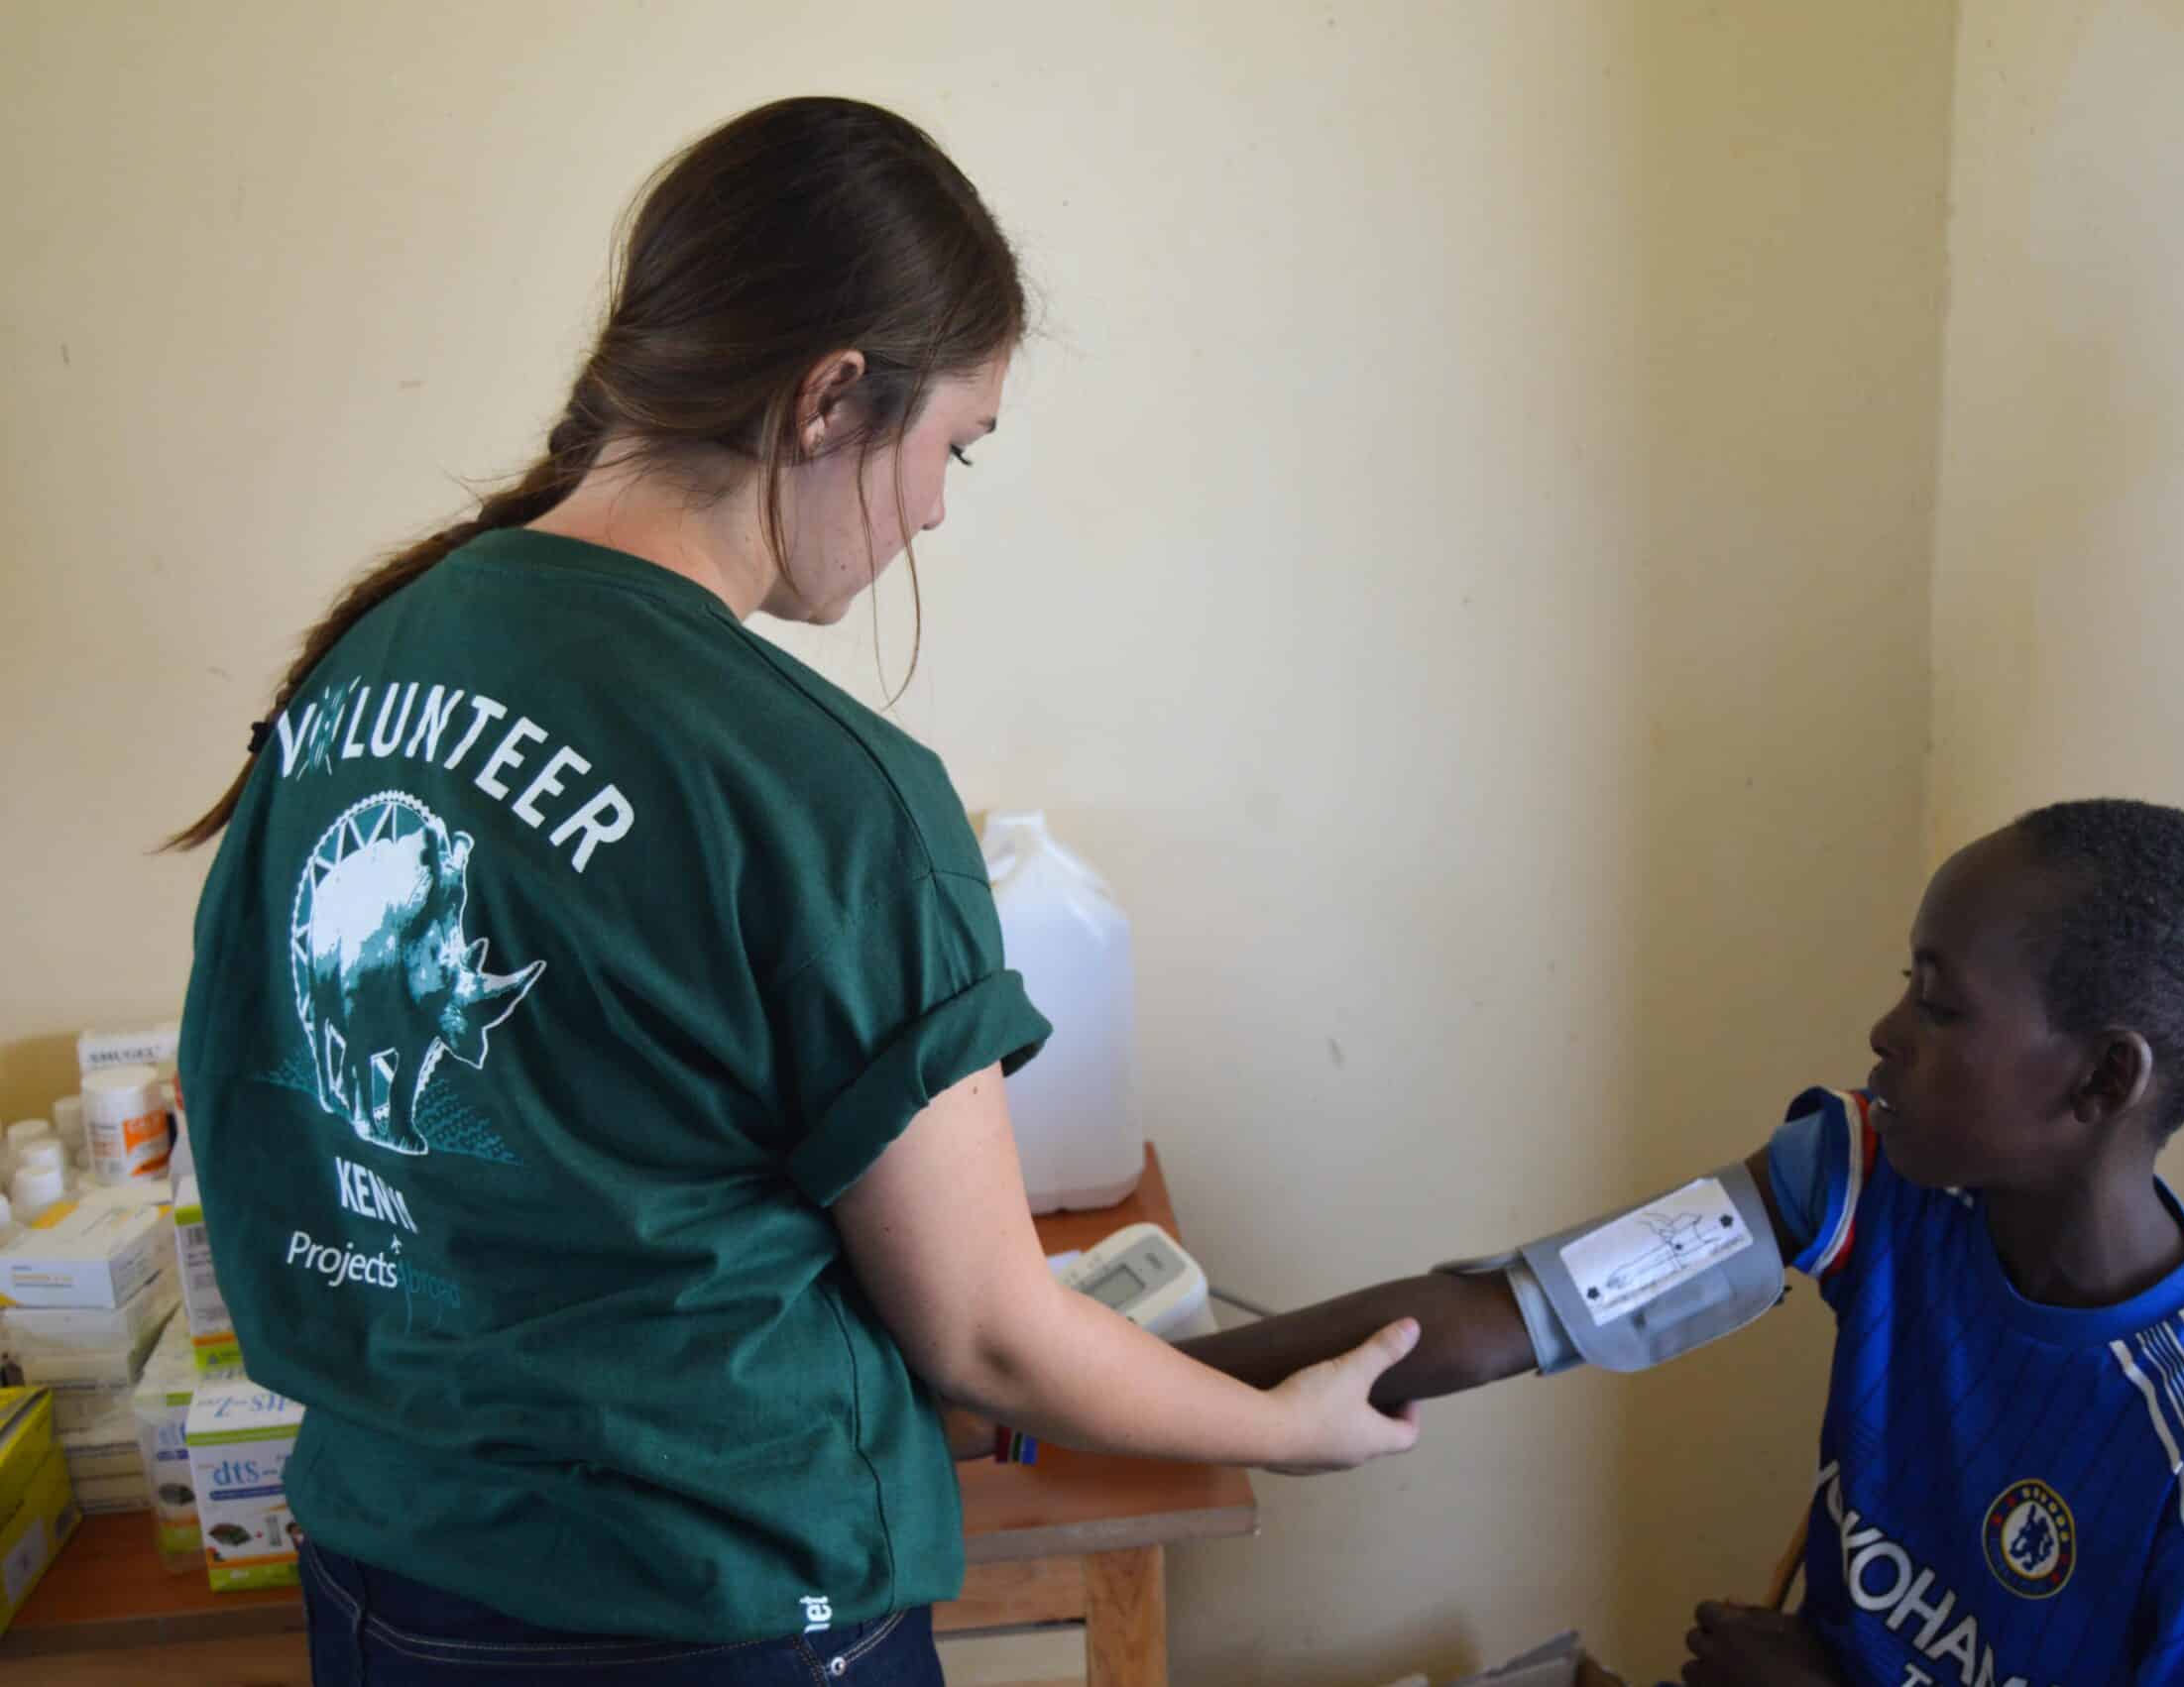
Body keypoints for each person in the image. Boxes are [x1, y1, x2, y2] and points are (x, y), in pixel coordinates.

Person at [171, 96, 1418, 1687]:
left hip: (382, 1589)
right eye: (952, 443)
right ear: (832, 397)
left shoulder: (361, 670)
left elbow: (262, 1108)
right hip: (714, 1610)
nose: (942, 508)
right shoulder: (827, 793)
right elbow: (988, 1334)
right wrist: (1281, 1427)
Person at [1179, 800, 2184, 1686]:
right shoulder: (1874, 1180)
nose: (1884, 1031)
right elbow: (1512, 1316)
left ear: (2103, 1076)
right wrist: (1119, 1384)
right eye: (1909, 983)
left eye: (1940, 1006)